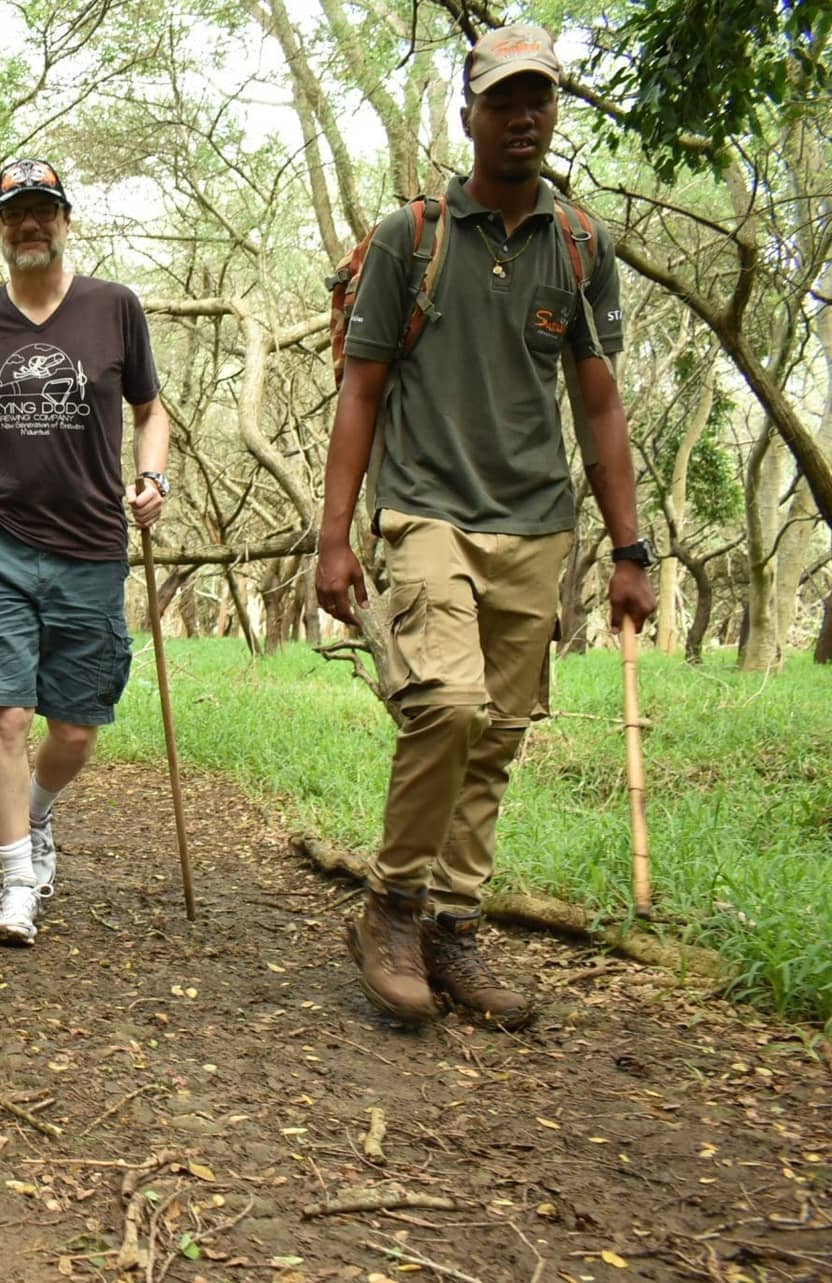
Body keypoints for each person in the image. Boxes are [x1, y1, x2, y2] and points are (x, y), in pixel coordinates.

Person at [316, 25, 656, 1028]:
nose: (524, 118)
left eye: (540, 100)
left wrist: (630, 549)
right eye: (504, 101)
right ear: (466, 116)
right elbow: (360, 392)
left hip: (538, 526)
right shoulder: (405, 238)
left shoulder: (582, 244)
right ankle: (390, 906)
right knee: (446, 706)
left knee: (498, 734)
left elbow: (599, 406)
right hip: (426, 514)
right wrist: (335, 538)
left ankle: (452, 927)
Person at [0, 159, 167, 947]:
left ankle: (38, 813)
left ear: (66, 219)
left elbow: (152, 410)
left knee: (77, 727)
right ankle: (18, 882)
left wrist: (153, 476)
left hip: (90, 543)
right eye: (15, 213)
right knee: (7, 711)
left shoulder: (114, 308)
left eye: (43, 210)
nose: (30, 225)